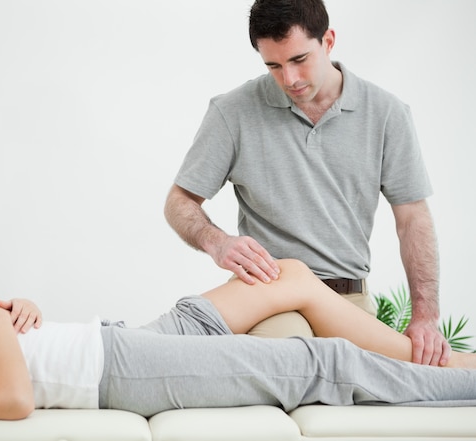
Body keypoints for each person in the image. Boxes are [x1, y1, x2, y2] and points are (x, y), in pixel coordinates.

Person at [163, 0, 448, 365]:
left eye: (299, 60)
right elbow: (180, 200)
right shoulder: (232, 112)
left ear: (328, 41)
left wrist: (426, 316)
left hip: (348, 299)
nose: (289, 80)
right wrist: (216, 242)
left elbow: (413, 220)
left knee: (378, 383)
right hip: (270, 292)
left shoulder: (388, 114)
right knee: (288, 364)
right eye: (274, 66)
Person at [0, 259, 476, 420]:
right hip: (116, 373)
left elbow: (11, 361)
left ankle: (455, 359)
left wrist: (24, 312)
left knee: (288, 277)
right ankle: (464, 382)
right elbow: (11, 400)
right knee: (323, 362)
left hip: (116, 341)